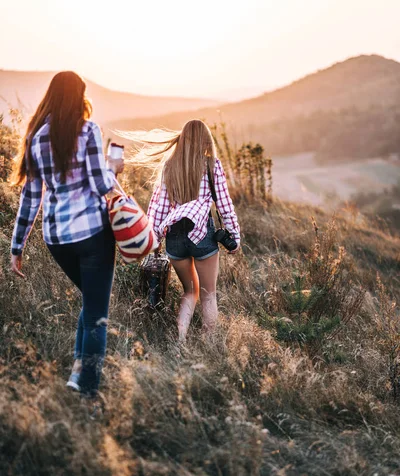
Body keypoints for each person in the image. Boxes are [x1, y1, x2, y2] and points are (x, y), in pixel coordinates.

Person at [10, 71, 123, 398]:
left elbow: (31, 198)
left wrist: (17, 246)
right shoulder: (88, 131)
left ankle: (78, 374)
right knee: (98, 316)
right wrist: (115, 169)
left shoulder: (36, 137)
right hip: (92, 235)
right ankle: (87, 391)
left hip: (56, 238)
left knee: (90, 303)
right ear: (78, 97)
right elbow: (102, 185)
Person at [134, 119, 240, 341]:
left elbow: (159, 206)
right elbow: (224, 205)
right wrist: (234, 237)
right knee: (209, 295)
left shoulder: (170, 166)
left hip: (175, 238)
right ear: (205, 140)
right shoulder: (212, 166)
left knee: (189, 292)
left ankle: (180, 340)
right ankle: (209, 342)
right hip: (203, 236)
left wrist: (155, 238)